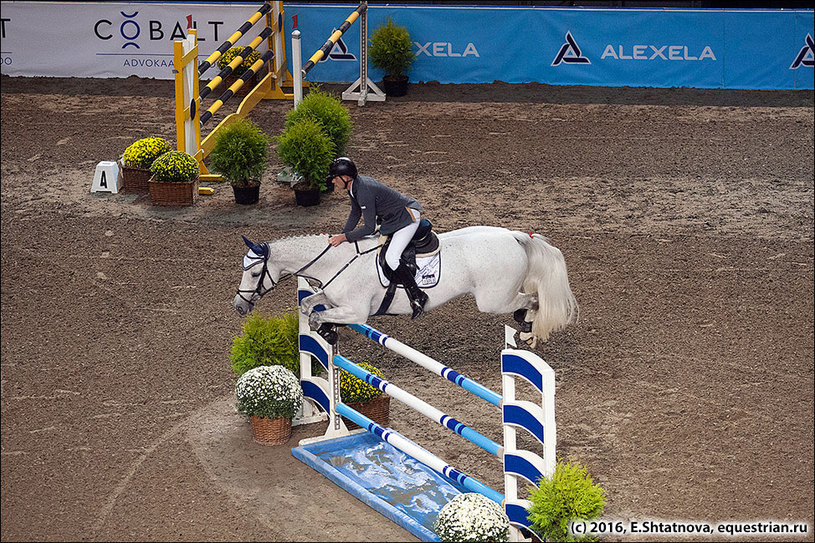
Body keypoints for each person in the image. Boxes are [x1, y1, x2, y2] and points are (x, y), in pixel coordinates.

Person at [326, 157, 429, 319]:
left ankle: (417, 295)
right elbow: (355, 213)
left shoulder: (363, 190)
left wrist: (345, 237)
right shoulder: (354, 188)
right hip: (392, 219)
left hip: (407, 218)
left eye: (334, 177)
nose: (332, 181)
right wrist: (342, 235)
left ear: (345, 178)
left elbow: (369, 228)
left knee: (392, 257)